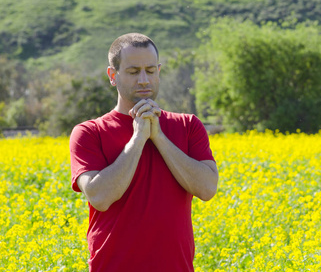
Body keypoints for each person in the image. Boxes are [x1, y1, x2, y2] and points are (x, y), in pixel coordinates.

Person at [69, 33, 219, 272]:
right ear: (112, 75)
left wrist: (158, 136)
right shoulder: (90, 132)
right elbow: (99, 197)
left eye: (150, 70)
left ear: (159, 71)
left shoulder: (188, 126)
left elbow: (207, 188)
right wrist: (138, 138)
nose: (143, 80)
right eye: (133, 71)